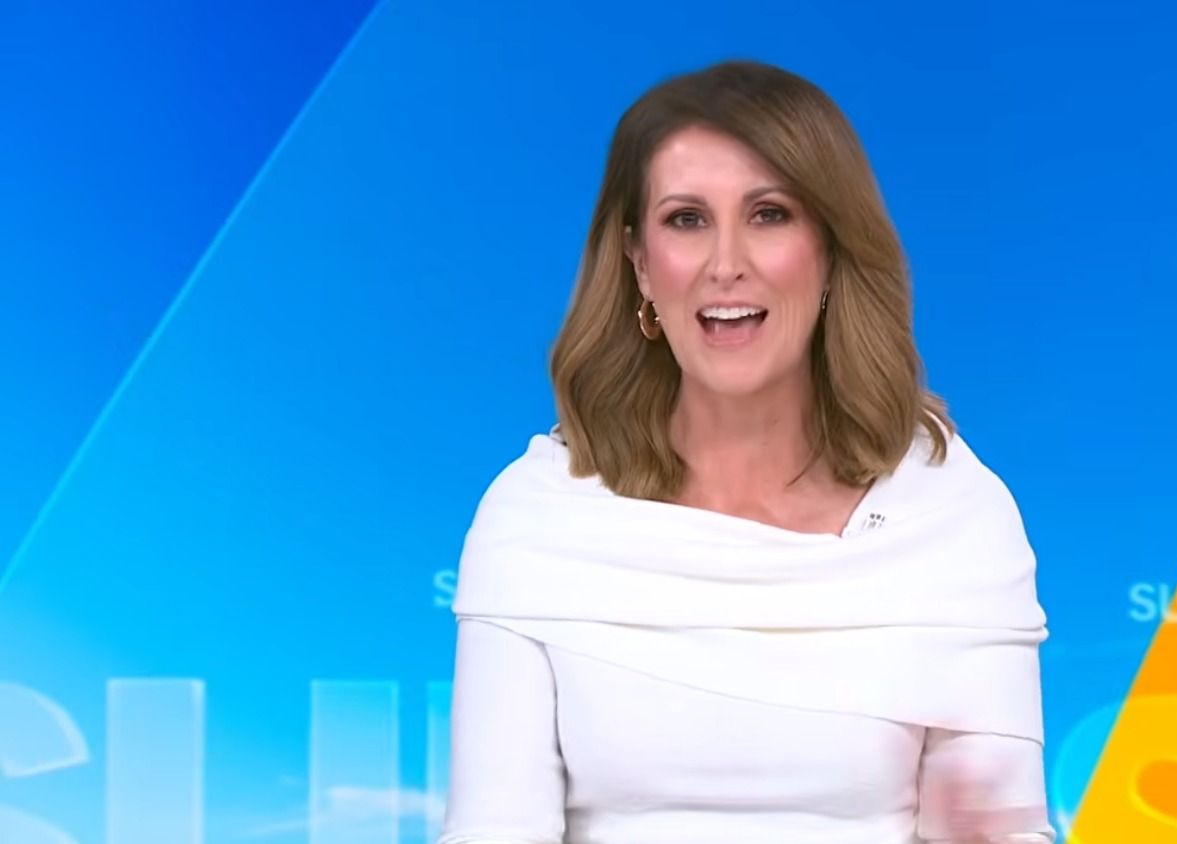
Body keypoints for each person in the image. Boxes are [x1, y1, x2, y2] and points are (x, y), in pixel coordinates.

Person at [441, 60, 1054, 844]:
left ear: (829, 250)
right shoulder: (537, 516)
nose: (725, 263)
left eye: (768, 215)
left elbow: (992, 834)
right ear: (638, 262)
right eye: (686, 220)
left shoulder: (952, 515)